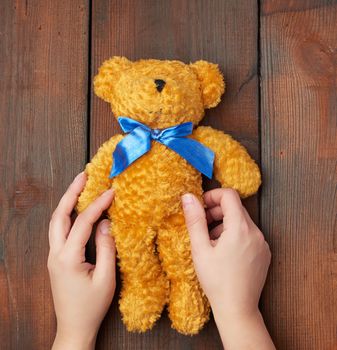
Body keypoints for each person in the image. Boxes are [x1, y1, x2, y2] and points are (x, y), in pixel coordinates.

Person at [48, 172, 275, 349]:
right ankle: (141, 293)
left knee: (182, 258)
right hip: (133, 221)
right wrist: (241, 315)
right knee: (136, 258)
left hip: (176, 222)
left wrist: (72, 335)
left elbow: (231, 164)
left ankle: (186, 298)